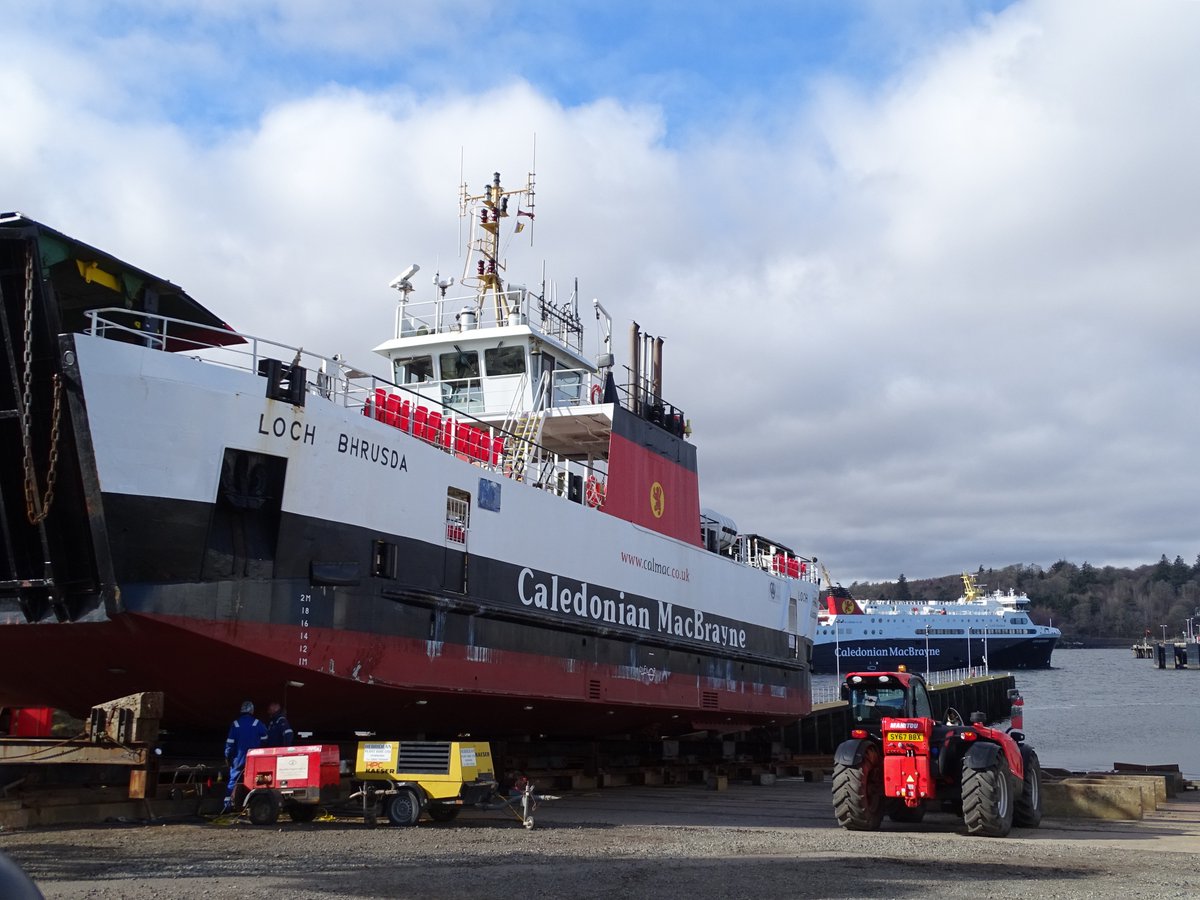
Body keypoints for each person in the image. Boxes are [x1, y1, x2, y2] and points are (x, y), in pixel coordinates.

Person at [223, 700, 267, 812]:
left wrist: (228, 757)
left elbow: (230, 744)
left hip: (238, 759)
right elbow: (266, 742)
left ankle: (227, 806)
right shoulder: (258, 723)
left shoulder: (236, 724)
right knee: (256, 781)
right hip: (255, 760)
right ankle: (252, 806)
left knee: (233, 781)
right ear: (252, 711)